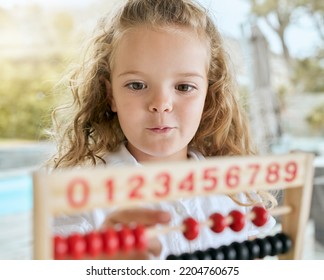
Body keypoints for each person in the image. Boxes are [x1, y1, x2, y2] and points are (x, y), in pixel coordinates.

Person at [48, 0, 277, 259]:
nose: (160, 105)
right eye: (136, 85)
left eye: (183, 87)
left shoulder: (237, 192)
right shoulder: (78, 201)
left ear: (208, 96)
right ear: (110, 95)